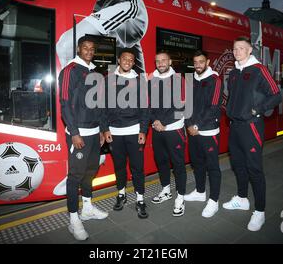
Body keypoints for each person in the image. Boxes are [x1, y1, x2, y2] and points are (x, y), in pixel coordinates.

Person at [223, 36, 282, 232]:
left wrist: (256, 110)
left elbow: (276, 95)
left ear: (250, 51)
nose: (237, 51)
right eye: (234, 48)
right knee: (238, 165)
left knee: (254, 169)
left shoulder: (259, 70)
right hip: (235, 126)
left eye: (241, 48)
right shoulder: (233, 73)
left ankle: (260, 211)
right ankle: (241, 199)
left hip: (251, 126)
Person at [57, 35, 108, 241]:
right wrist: (75, 133)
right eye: (85, 48)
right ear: (79, 49)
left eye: (92, 48)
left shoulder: (95, 73)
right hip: (79, 134)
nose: (89, 51)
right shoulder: (70, 70)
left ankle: (87, 207)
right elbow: (65, 104)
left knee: (90, 171)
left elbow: (101, 104)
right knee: (75, 176)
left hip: (95, 133)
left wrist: (104, 129)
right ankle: (73, 218)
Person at [56, 0, 148, 73]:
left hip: (126, 4)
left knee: (66, 45)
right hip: (107, 8)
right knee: (138, 78)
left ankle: (72, 89)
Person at [101, 49, 150, 219]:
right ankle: (121, 194)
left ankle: (140, 199)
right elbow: (102, 108)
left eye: (131, 59)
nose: (128, 62)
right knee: (119, 166)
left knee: (137, 167)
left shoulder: (140, 81)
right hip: (114, 133)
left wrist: (143, 130)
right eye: (125, 59)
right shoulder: (108, 80)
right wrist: (105, 129)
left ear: (133, 62)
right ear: (119, 60)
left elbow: (145, 109)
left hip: (134, 131)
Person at [184, 51, 224, 218]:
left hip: (208, 131)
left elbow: (214, 106)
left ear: (207, 62)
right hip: (193, 131)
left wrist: (196, 125)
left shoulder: (215, 80)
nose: (198, 65)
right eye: (195, 62)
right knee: (197, 163)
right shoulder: (190, 79)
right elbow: (186, 104)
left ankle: (214, 201)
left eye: (201, 62)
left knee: (213, 166)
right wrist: (188, 125)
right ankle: (200, 192)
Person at [149, 50, 187, 217]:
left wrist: (164, 122)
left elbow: (183, 106)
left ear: (170, 61)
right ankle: (166, 190)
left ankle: (181, 197)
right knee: (161, 161)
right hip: (157, 129)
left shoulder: (180, 79)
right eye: (158, 61)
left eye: (164, 60)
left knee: (178, 164)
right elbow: (147, 104)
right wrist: (155, 121)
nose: (161, 63)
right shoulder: (151, 79)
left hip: (174, 129)